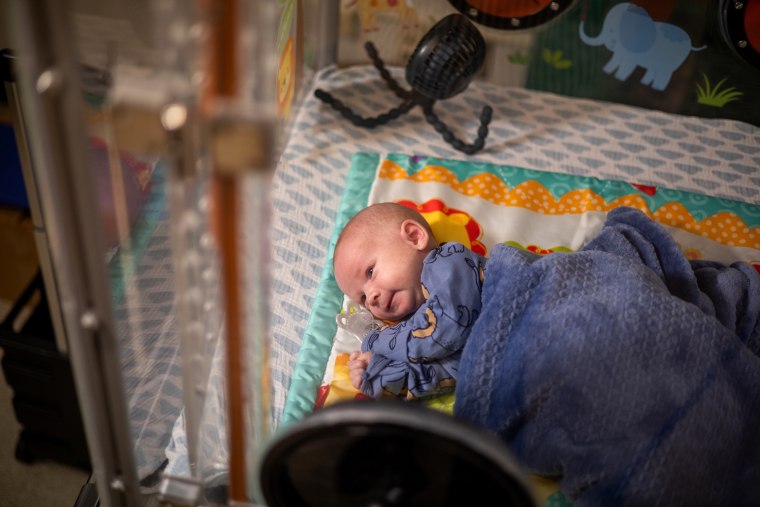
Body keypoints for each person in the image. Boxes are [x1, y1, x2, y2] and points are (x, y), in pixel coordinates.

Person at [332, 202, 486, 399]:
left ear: (414, 236)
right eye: (362, 298)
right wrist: (379, 372)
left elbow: (438, 334)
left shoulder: (449, 261)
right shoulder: (420, 330)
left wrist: (376, 340)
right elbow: (447, 373)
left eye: (370, 272)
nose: (371, 297)